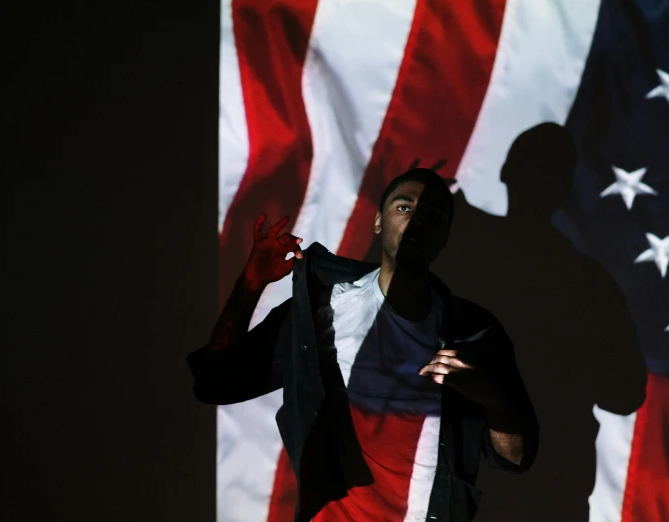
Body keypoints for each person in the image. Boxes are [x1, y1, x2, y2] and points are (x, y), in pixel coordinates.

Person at [187, 165, 539, 522]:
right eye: (404, 207)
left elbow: (516, 457)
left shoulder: (474, 332)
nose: (416, 221)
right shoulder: (323, 309)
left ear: (445, 235)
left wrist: (491, 395)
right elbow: (215, 381)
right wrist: (250, 284)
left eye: (433, 215)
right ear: (378, 222)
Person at [432, 123, 647, 521]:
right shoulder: (590, 284)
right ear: (563, 191)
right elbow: (625, 392)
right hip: (548, 487)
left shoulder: (460, 246)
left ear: (506, 171)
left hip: (465, 480)